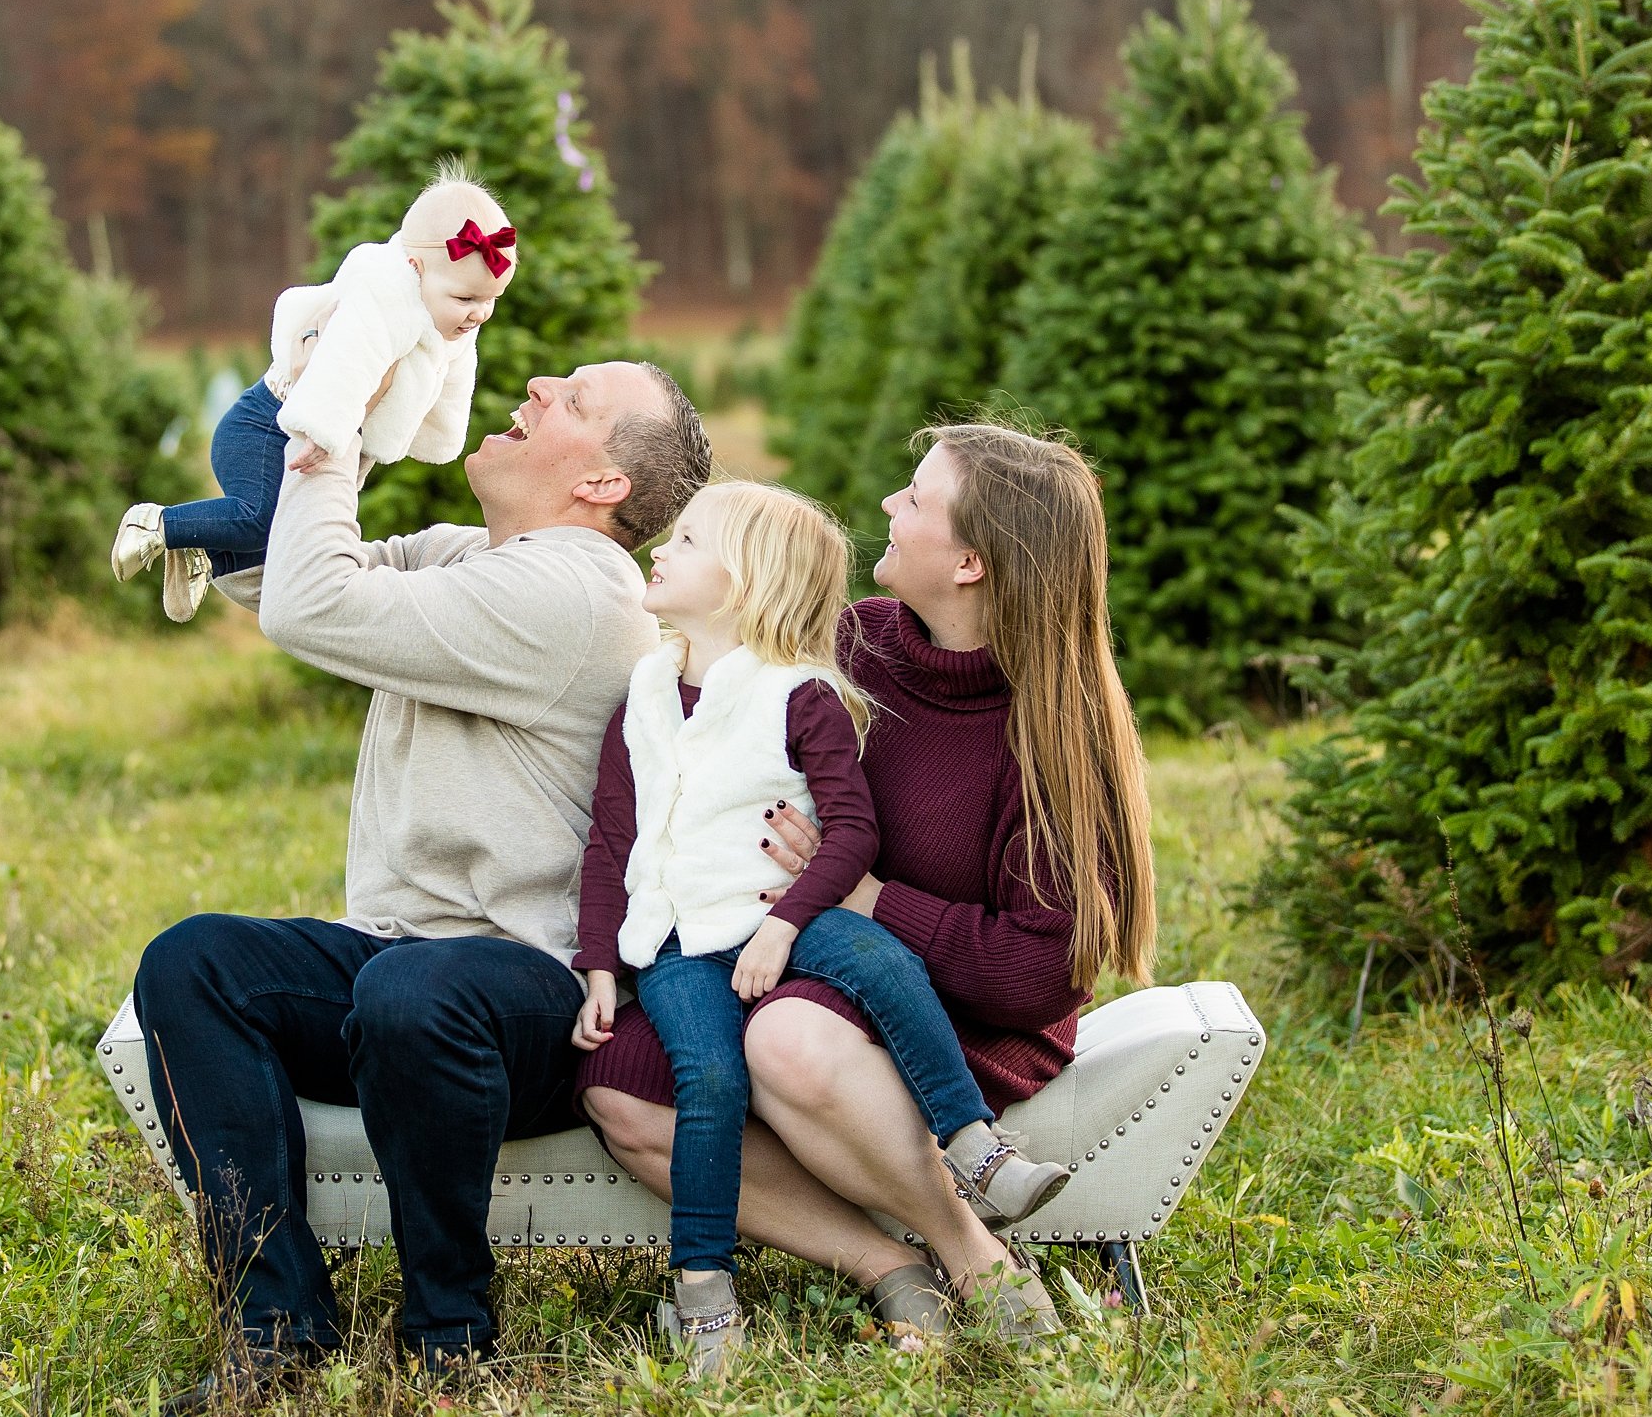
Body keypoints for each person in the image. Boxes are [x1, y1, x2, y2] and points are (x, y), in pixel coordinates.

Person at [132, 358, 711, 1393]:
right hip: (400, 962)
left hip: (537, 998)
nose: (535, 384)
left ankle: (451, 1334)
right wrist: (301, 377)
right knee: (196, 962)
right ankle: (277, 1326)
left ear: (603, 485)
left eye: (573, 401)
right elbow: (276, 568)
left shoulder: (572, 594)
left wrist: (336, 430)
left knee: (417, 990)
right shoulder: (470, 556)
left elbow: (313, 608)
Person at [576, 422, 1159, 1343]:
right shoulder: (859, 645)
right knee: (626, 1092)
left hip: (950, 1011)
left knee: (787, 1041)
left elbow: (1035, 975)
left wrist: (869, 897)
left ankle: (973, 1253)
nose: (888, 503)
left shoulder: (1051, 730)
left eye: (916, 498)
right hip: (786, 956)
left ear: (969, 562)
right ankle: (883, 1263)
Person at [111, 162, 517, 621]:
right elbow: (344, 364)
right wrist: (325, 433)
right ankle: (159, 523)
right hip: (270, 426)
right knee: (262, 520)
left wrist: (440, 438)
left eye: (491, 301)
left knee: (286, 553)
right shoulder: (382, 296)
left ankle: (207, 550)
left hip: (317, 438)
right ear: (414, 267)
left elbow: (453, 381)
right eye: (467, 300)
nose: (480, 313)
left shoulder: (448, 315)